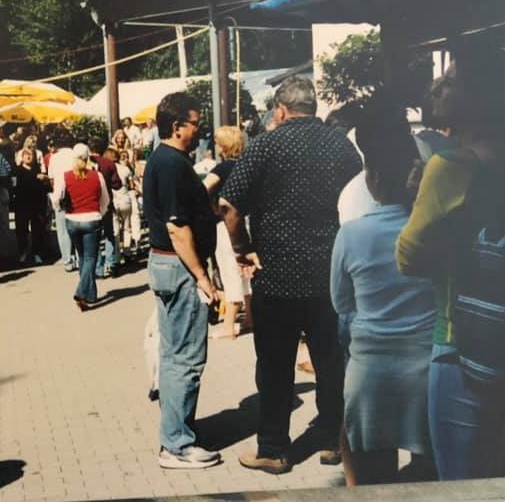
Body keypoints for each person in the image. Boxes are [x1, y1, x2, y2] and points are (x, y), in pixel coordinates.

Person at [220, 76, 362, 474]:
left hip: (276, 276)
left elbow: (229, 205)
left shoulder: (265, 145)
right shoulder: (341, 145)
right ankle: (334, 440)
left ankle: (274, 449)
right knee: (331, 363)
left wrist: (242, 247)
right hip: (330, 275)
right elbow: (362, 196)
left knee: (274, 365)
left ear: (281, 109)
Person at [396, 44, 505, 481]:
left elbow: (408, 256)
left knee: (462, 484)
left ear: (477, 97)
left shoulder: (449, 167)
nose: (436, 88)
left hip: (460, 343)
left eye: (449, 83)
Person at [331, 111, 436, 485]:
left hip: (371, 368)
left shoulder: (352, 234)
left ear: (373, 178)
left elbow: (342, 303)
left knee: (370, 477)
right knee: (431, 474)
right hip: (426, 365)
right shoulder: (434, 230)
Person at [142, 91, 221, 469]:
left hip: (168, 265)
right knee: (185, 359)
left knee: (174, 354)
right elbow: (177, 227)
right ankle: (176, 443)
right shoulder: (172, 164)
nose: (199, 131)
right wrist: (203, 277)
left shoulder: (164, 160)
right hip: (180, 267)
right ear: (177, 126)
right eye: (195, 125)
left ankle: (176, 430)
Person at [202, 126, 252, 340]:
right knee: (246, 270)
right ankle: (251, 317)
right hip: (247, 221)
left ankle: (229, 325)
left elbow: (203, 189)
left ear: (224, 145)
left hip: (225, 224)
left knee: (229, 271)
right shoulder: (248, 166)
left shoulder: (221, 169)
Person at [53, 144, 109, 311]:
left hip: (72, 218)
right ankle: (82, 291)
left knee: (82, 256)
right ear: (88, 157)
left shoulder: (65, 176)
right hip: (92, 218)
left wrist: (61, 209)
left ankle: (90, 294)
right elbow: (105, 199)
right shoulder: (97, 175)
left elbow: (56, 197)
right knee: (91, 258)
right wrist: (100, 212)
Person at [12, 145, 49, 264]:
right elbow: (14, 187)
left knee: (37, 229)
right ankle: (23, 252)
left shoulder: (38, 170)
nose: (28, 157)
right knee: (21, 230)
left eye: (31, 155)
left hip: (36, 205)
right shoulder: (17, 171)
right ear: (22, 157)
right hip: (22, 205)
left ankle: (36, 253)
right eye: (26, 155)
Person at [90, 138, 121, 278]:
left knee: (94, 237)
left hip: (91, 203)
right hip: (107, 202)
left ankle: (98, 268)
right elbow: (117, 184)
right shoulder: (109, 164)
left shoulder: (86, 163)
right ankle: (111, 263)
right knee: (109, 233)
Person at [47, 132, 78, 271]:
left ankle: (67, 260)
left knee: (62, 229)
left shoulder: (54, 158)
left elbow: (51, 179)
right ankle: (78, 257)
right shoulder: (75, 155)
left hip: (59, 194)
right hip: (75, 193)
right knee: (76, 227)